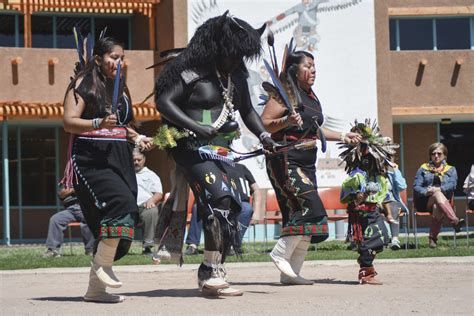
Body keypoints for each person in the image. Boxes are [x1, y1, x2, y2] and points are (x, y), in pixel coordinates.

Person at [154, 12, 276, 296]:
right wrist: (195, 126)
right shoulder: (189, 71)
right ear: (219, 47)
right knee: (219, 198)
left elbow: (247, 111)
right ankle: (210, 272)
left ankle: (214, 267)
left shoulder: (236, 75)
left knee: (233, 206)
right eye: (234, 54)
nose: (237, 61)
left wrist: (265, 136)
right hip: (189, 148)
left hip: (222, 151)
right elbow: (164, 101)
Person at [63, 36, 154, 303]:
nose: (118, 62)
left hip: (119, 158)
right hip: (91, 159)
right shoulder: (82, 84)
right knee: (121, 203)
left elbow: (121, 125)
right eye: (114, 57)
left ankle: (95, 289)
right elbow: (69, 122)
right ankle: (103, 266)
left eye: (122, 58)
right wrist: (97, 122)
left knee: (128, 215)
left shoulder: (121, 88)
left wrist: (137, 138)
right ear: (99, 58)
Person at [260, 49, 361, 285]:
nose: (313, 70)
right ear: (295, 70)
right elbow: (264, 124)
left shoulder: (311, 97)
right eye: (308, 66)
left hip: (307, 162)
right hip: (286, 160)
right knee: (311, 209)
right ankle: (279, 253)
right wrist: (285, 121)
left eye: (314, 66)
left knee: (305, 217)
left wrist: (344, 135)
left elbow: (313, 130)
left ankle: (291, 274)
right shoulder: (283, 94)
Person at [340, 119, 394, 285]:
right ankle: (366, 272)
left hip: (374, 212)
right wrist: (356, 196)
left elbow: (384, 196)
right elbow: (345, 193)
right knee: (371, 240)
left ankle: (365, 259)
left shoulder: (380, 178)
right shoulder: (356, 176)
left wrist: (389, 213)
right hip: (361, 213)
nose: (369, 160)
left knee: (383, 238)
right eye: (366, 157)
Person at [184, 163, 261, 255]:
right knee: (198, 207)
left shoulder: (241, 167)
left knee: (247, 208)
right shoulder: (211, 164)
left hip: (240, 203)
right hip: (218, 202)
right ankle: (192, 245)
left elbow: (256, 189)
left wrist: (257, 212)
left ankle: (233, 245)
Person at [413, 142, 463, 249]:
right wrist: (427, 192)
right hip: (425, 201)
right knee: (436, 193)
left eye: (439, 154)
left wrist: (439, 189)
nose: (436, 156)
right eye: (433, 153)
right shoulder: (423, 168)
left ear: (444, 155)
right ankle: (454, 220)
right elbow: (416, 187)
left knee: (437, 205)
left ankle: (432, 239)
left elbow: (452, 185)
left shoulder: (451, 169)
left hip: (442, 203)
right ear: (430, 155)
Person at [43, 186, 95, 257]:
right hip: (71, 209)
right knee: (55, 219)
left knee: (90, 219)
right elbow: (61, 194)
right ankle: (52, 250)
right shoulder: (67, 180)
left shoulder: (88, 178)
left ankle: (90, 250)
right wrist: (73, 190)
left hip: (86, 208)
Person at [133, 149, 163, 254]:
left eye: (139, 160)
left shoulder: (151, 175)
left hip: (144, 206)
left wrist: (152, 200)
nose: (136, 162)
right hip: (128, 206)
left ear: (144, 160)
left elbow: (159, 193)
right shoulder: (126, 173)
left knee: (152, 211)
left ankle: (147, 246)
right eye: (134, 160)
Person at [383, 163, 409, 250]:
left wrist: (395, 170)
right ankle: (384, 239)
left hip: (392, 202)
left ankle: (395, 239)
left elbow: (402, 186)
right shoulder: (372, 175)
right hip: (378, 202)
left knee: (393, 206)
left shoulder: (391, 174)